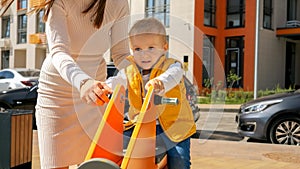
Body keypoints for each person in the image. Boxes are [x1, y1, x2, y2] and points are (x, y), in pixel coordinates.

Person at [30, 0, 130, 169]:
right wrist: (83, 82)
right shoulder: (59, 2)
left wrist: (137, 74)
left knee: (93, 163)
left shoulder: (119, 3)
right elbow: (59, 51)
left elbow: (121, 54)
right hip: (57, 93)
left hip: (96, 95)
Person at [107, 17, 196, 169]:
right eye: (138, 49)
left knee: (179, 160)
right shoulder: (130, 68)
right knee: (117, 147)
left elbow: (172, 77)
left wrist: (160, 82)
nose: (144, 54)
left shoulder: (172, 66)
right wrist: (106, 86)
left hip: (174, 126)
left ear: (164, 47)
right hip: (139, 123)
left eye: (151, 48)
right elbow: (118, 80)